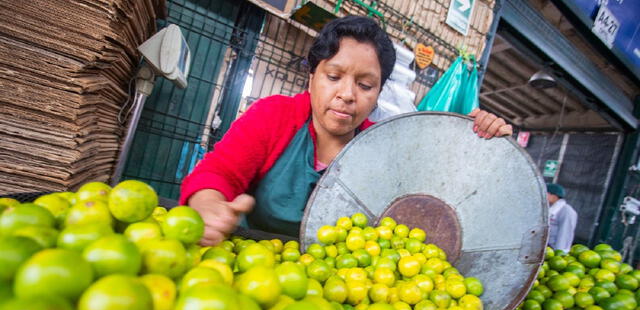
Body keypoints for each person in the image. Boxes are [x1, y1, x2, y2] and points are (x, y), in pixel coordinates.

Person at [180, 15, 513, 246]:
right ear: (311, 78)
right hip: (253, 264)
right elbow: (217, 173)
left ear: (379, 93)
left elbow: (436, 196)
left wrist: (482, 143)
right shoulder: (275, 116)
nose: (347, 94)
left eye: (365, 84)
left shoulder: (382, 150)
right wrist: (209, 205)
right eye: (334, 77)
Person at [546, 183, 578, 253]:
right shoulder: (551, 208)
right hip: (547, 248)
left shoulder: (567, 211)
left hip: (554, 249)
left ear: (554, 195)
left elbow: (565, 233)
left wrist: (559, 252)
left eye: (546, 193)